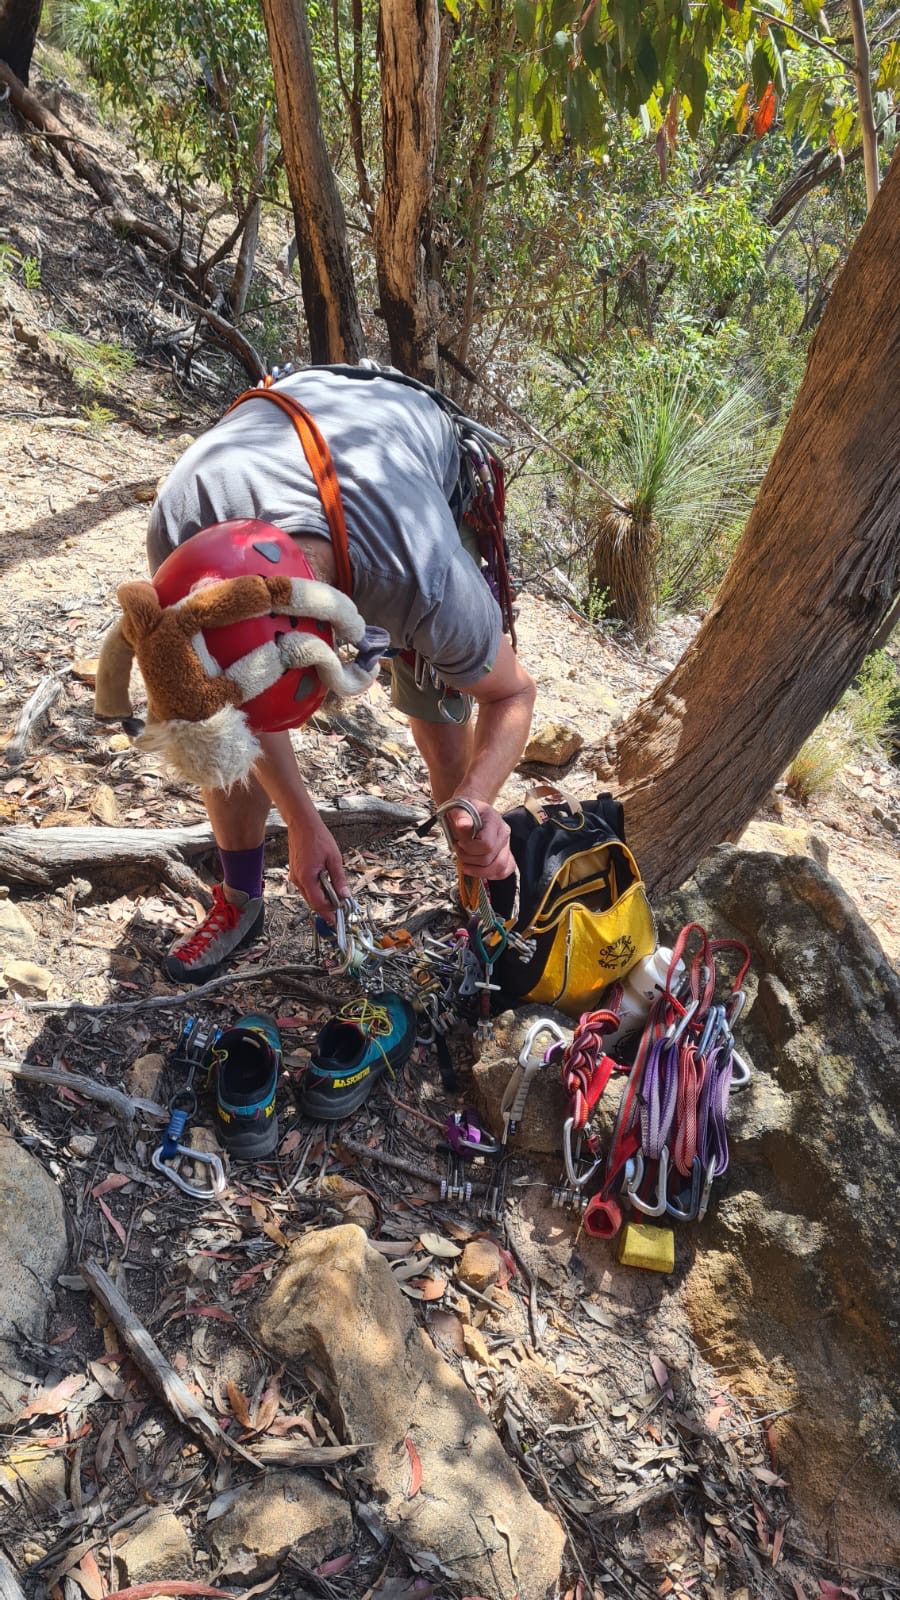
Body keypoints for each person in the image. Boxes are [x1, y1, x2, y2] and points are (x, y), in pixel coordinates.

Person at [143, 364, 537, 984]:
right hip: (304, 424)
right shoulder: (183, 530)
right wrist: (302, 822)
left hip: (408, 450)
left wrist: (479, 797)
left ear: (333, 640)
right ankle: (241, 899)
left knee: (438, 728)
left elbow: (513, 693)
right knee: (212, 718)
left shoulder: (427, 581)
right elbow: (231, 705)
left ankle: (472, 878)